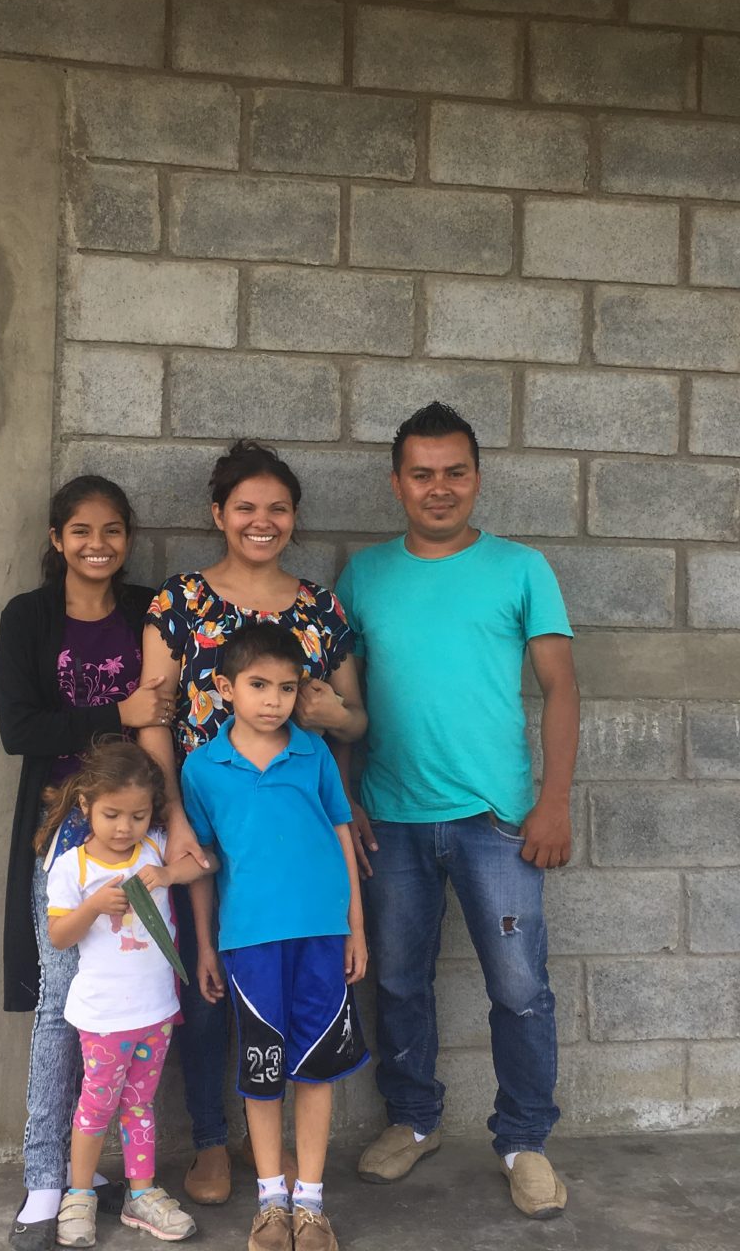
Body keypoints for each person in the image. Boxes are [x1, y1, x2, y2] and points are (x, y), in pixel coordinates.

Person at [335, 402, 580, 1221]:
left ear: (477, 477)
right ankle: (414, 1119)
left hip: (495, 820)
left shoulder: (521, 568)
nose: (438, 488)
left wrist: (552, 802)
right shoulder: (364, 576)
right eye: (422, 474)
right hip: (391, 817)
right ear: (396, 483)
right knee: (398, 979)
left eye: (455, 472)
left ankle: (525, 1140)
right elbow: (345, 702)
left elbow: (561, 688)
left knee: (519, 988)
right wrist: (347, 798)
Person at [137, 441, 367, 1205]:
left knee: (291, 982)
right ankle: (212, 1138)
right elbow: (154, 717)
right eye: (245, 507)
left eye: (277, 508)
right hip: (208, 809)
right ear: (218, 513)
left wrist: (337, 720)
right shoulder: (178, 602)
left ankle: (274, 1155)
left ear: (294, 517)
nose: (261, 521)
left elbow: (354, 719)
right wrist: (175, 815)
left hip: (293, 821)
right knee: (209, 983)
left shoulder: (321, 608)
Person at [0, 475, 177, 1251]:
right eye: (81, 531)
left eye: (111, 531)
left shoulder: (147, 611)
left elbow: (167, 711)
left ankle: (129, 1178)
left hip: (140, 829)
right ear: (57, 539)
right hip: (65, 831)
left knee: (144, 993)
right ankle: (48, 1179)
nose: (97, 545)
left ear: (127, 538)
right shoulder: (29, 618)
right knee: (59, 1002)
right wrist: (117, 713)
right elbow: (20, 729)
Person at [181, 623, 369, 1251]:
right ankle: (270, 1202)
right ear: (225, 687)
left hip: (322, 934)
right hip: (250, 941)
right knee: (262, 1071)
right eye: (258, 685)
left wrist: (355, 927)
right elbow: (203, 863)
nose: (273, 700)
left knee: (315, 1070)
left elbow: (341, 835)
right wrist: (206, 945)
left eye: (287, 688)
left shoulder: (313, 754)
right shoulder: (203, 768)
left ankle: (310, 1204)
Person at [43, 738, 216, 1248]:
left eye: (138, 816)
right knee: (96, 1107)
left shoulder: (155, 847)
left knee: (140, 1105)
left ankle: (141, 1194)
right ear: (85, 806)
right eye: (112, 815)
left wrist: (167, 873)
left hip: (156, 1011)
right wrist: (93, 906)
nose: (125, 828)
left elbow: (205, 864)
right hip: (103, 1018)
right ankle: (79, 1195)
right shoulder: (73, 867)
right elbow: (59, 936)